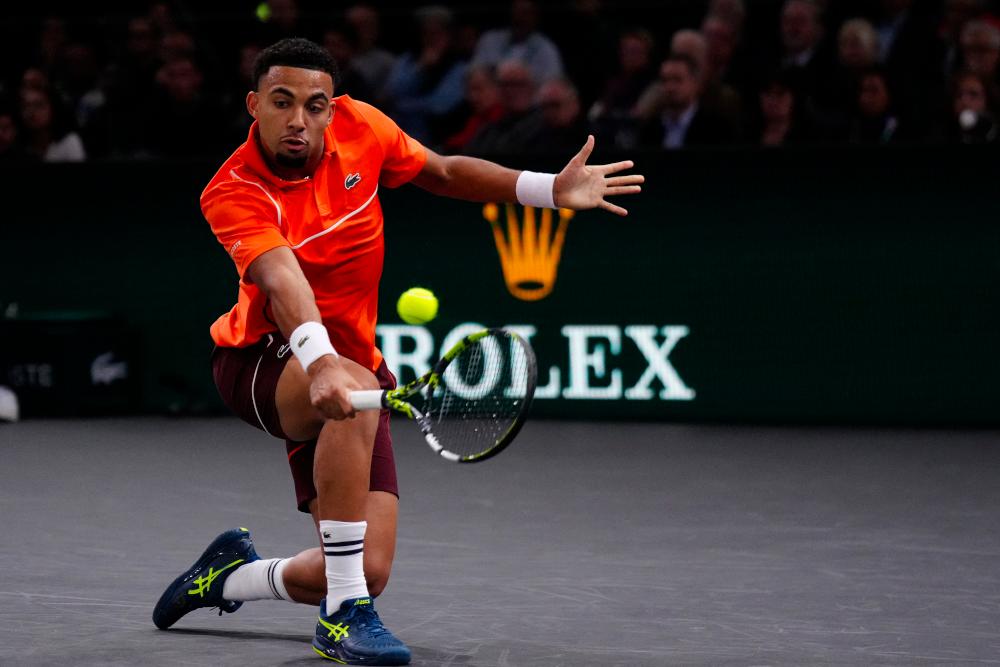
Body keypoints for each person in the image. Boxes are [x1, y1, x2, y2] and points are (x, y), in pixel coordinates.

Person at [151, 37, 642, 665]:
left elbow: (441, 171)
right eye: (282, 102)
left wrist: (545, 188)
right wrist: (322, 361)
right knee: (356, 398)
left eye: (315, 105)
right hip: (260, 360)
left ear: (333, 110)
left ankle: (226, 577)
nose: (299, 119)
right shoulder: (232, 190)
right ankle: (343, 622)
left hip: (348, 366)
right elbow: (281, 277)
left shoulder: (364, 127)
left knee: (364, 567)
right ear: (254, 105)